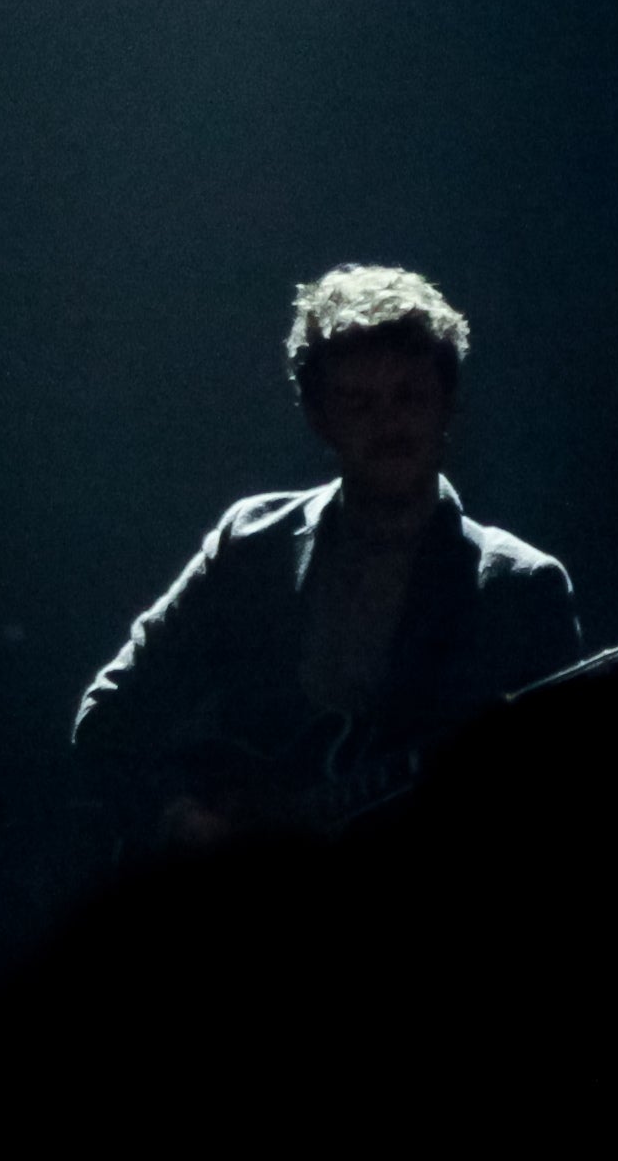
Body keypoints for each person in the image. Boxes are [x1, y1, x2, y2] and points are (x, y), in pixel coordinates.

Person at [74, 265, 579, 850]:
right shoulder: (252, 544)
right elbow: (109, 718)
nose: (388, 422)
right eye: (359, 402)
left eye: (409, 395)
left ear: (449, 405)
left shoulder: (520, 588)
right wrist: (183, 820)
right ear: (319, 418)